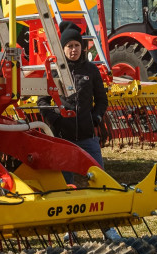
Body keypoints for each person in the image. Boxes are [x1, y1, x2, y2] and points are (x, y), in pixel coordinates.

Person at [37, 22, 108, 180]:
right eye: (69, 46)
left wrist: (95, 118)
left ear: (82, 47)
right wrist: (55, 121)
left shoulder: (91, 70)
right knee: (65, 182)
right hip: (63, 137)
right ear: (63, 48)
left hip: (87, 136)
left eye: (77, 45)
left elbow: (102, 100)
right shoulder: (53, 71)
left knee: (101, 179)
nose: (74, 49)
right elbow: (42, 102)